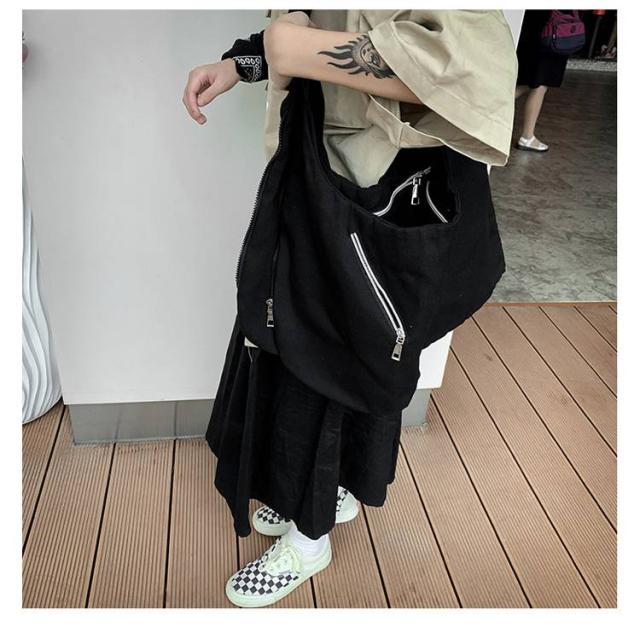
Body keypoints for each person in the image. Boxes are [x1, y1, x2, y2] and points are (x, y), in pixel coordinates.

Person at [183, 9, 517, 608]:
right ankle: (325, 487)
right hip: (316, 165)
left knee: (341, 357)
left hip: (384, 187)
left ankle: (309, 538)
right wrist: (244, 61)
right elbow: (312, 23)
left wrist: (290, 47)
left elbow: (464, 64)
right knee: (295, 340)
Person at [514, 10, 574, 152]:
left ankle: (481, 111)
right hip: (554, 30)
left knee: (529, 81)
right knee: (540, 83)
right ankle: (527, 136)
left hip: (534, 25)